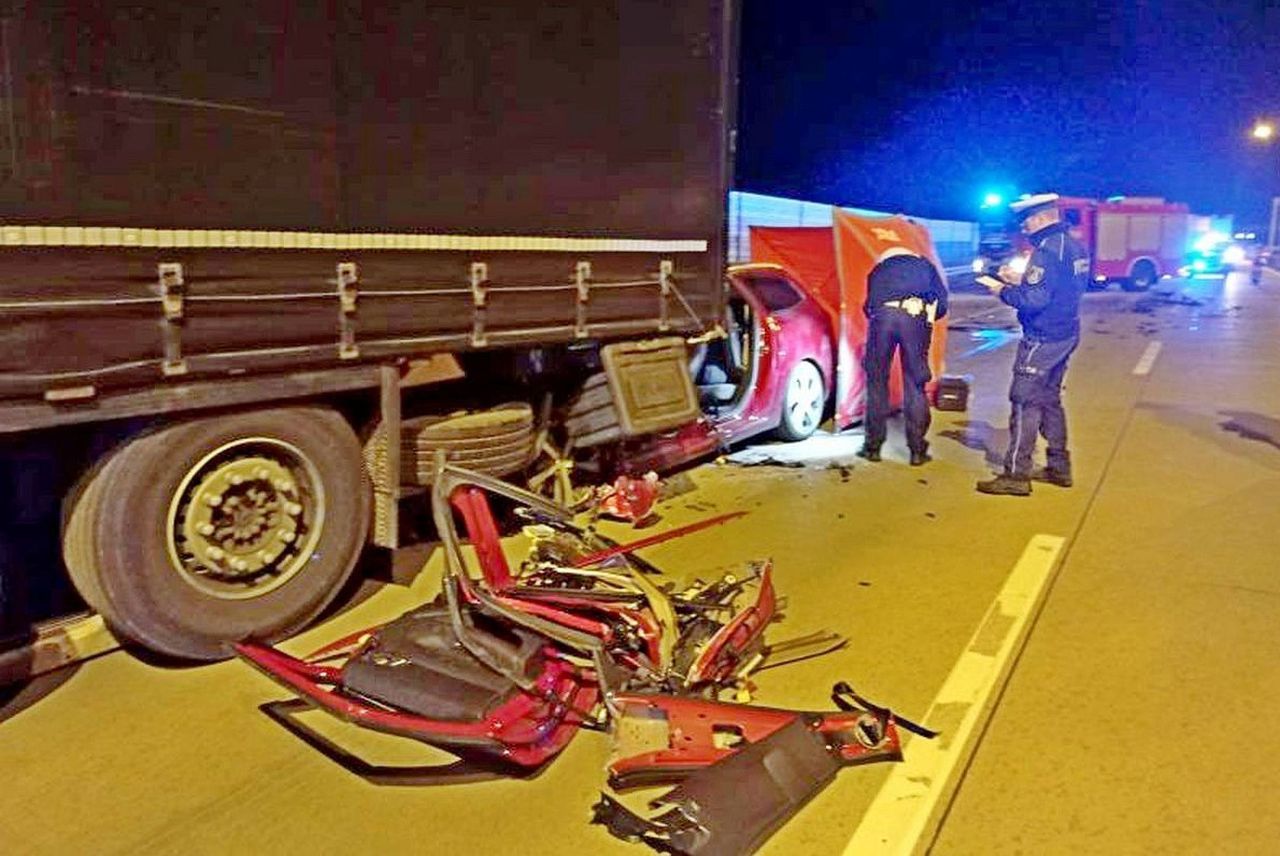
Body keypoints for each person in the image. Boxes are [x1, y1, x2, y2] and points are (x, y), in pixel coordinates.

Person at [976, 194, 1088, 496]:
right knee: (1050, 399)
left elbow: (1035, 300)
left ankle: (1016, 475)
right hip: (1066, 333)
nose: (1023, 226)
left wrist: (1002, 290)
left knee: (1024, 402)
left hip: (1042, 337)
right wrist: (1021, 280)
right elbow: (1065, 286)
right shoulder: (1074, 245)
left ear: (1040, 218)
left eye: (1026, 220)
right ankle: (1059, 467)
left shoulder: (1046, 252)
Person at [857, 247, 948, 466]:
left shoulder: (879, 269)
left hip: (882, 318)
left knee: (876, 382)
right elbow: (942, 304)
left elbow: (868, 305)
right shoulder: (926, 266)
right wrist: (926, 316)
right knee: (914, 383)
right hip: (914, 318)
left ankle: (872, 447)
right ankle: (917, 451)